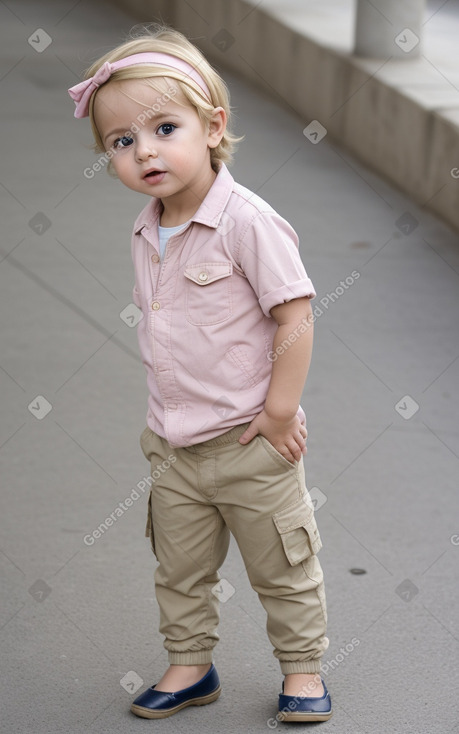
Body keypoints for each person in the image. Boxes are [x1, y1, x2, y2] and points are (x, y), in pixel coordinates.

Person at [68, 24, 332, 723]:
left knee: (282, 566)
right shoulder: (145, 227)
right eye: (122, 142)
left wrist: (278, 412)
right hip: (172, 445)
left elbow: (296, 317)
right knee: (178, 570)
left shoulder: (248, 222)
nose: (144, 150)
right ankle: (190, 664)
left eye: (163, 127)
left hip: (250, 443)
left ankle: (302, 672)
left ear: (213, 127)